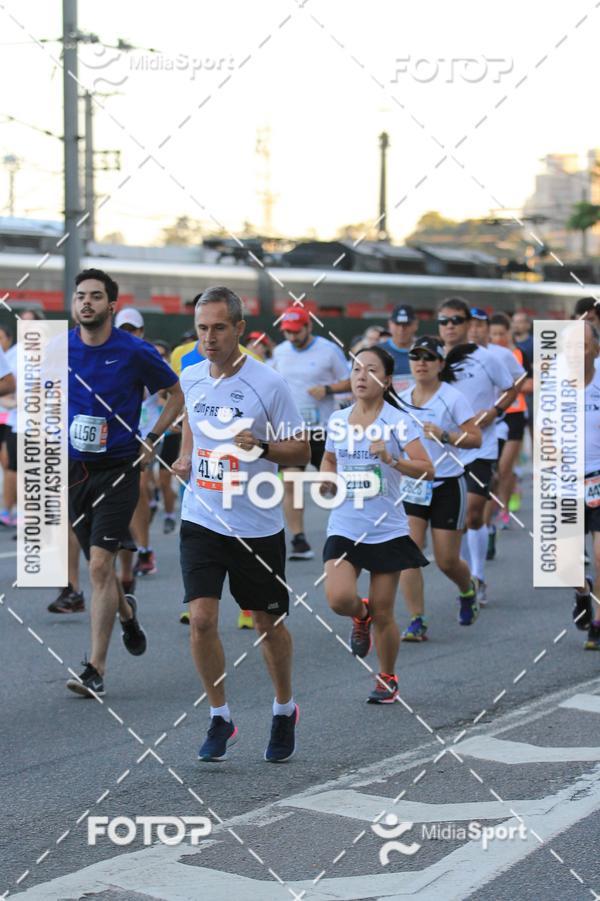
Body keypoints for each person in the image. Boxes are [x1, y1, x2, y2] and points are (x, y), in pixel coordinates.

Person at [173, 285, 309, 762]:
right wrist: (188, 454)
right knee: (203, 619)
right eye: (201, 329)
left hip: (255, 524)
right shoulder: (191, 376)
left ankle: (283, 707)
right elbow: (192, 417)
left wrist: (263, 448)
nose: (208, 338)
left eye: (218, 328)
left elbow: (302, 450)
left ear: (239, 329)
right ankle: (219, 717)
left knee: (267, 624)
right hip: (201, 516)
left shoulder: (268, 383)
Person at [65, 269, 183, 698]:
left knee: (98, 566)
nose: (87, 303)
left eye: (96, 297)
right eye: (81, 296)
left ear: (111, 305)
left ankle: (94, 668)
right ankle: (128, 615)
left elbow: (177, 393)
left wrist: (152, 439)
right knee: (102, 571)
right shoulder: (61, 348)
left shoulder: (134, 351)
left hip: (119, 468)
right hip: (76, 470)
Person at [320, 345, 433, 704]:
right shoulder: (338, 420)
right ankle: (360, 613)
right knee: (339, 598)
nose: (360, 377)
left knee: (386, 611)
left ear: (385, 380)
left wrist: (393, 459)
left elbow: (427, 468)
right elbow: (328, 458)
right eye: (355, 370)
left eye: (370, 370)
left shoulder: (398, 422)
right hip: (345, 524)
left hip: (387, 527)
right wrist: (326, 478)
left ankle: (387, 676)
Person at [398, 336, 482, 637]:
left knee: (447, 560)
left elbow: (476, 439)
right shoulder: (402, 398)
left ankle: (467, 588)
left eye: (428, 357)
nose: (421, 363)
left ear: (440, 364)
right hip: (413, 484)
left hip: (447, 484)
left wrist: (446, 436)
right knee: (409, 552)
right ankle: (417, 619)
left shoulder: (452, 397)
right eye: (415, 357)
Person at [437, 299, 515, 607]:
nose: (450, 326)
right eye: (444, 321)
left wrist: (495, 411)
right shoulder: (431, 356)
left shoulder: (487, 358)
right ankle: (465, 574)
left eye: (457, 320)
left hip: (480, 446)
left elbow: (511, 388)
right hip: (441, 450)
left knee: (471, 513)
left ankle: (478, 577)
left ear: (469, 324)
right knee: (456, 521)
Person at [271, 306, 350, 561]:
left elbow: (350, 380)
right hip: (292, 430)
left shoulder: (328, 350)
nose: (292, 337)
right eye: (287, 332)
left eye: (296, 331)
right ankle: (299, 539)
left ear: (308, 327)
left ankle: (349, 530)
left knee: (334, 484)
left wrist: (327, 389)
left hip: (323, 430)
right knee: (291, 482)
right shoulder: (280, 352)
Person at [468, 309, 527, 559]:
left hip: (501, 423)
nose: (476, 330)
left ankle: (489, 521)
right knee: (474, 490)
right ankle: (484, 524)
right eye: (473, 325)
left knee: (498, 472)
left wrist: (497, 408)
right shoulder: (454, 354)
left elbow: (519, 381)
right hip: (465, 431)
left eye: (482, 326)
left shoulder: (503, 354)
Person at [489, 312, 533, 526]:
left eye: (501, 334)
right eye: (493, 334)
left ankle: (504, 509)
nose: (497, 338)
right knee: (492, 469)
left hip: (515, 414)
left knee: (504, 467)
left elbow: (530, 383)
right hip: (493, 415)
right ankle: (492, 506)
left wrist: (511, 387)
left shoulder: (518, 353)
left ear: (509, 333)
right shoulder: (484, 355)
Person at [574, 321, 600, 650]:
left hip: (599, 475)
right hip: (564, 479)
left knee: (598, 552)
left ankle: (598, 622)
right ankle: (583, 592)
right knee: (565, 563)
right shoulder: (556, 386)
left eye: (582, 343)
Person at [380, 304, 419, 395]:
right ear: (389, 324)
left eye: (406, 324)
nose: (401, 329)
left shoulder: (424, 351)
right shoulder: (378, 352)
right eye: (397, 324)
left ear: (415, 325)